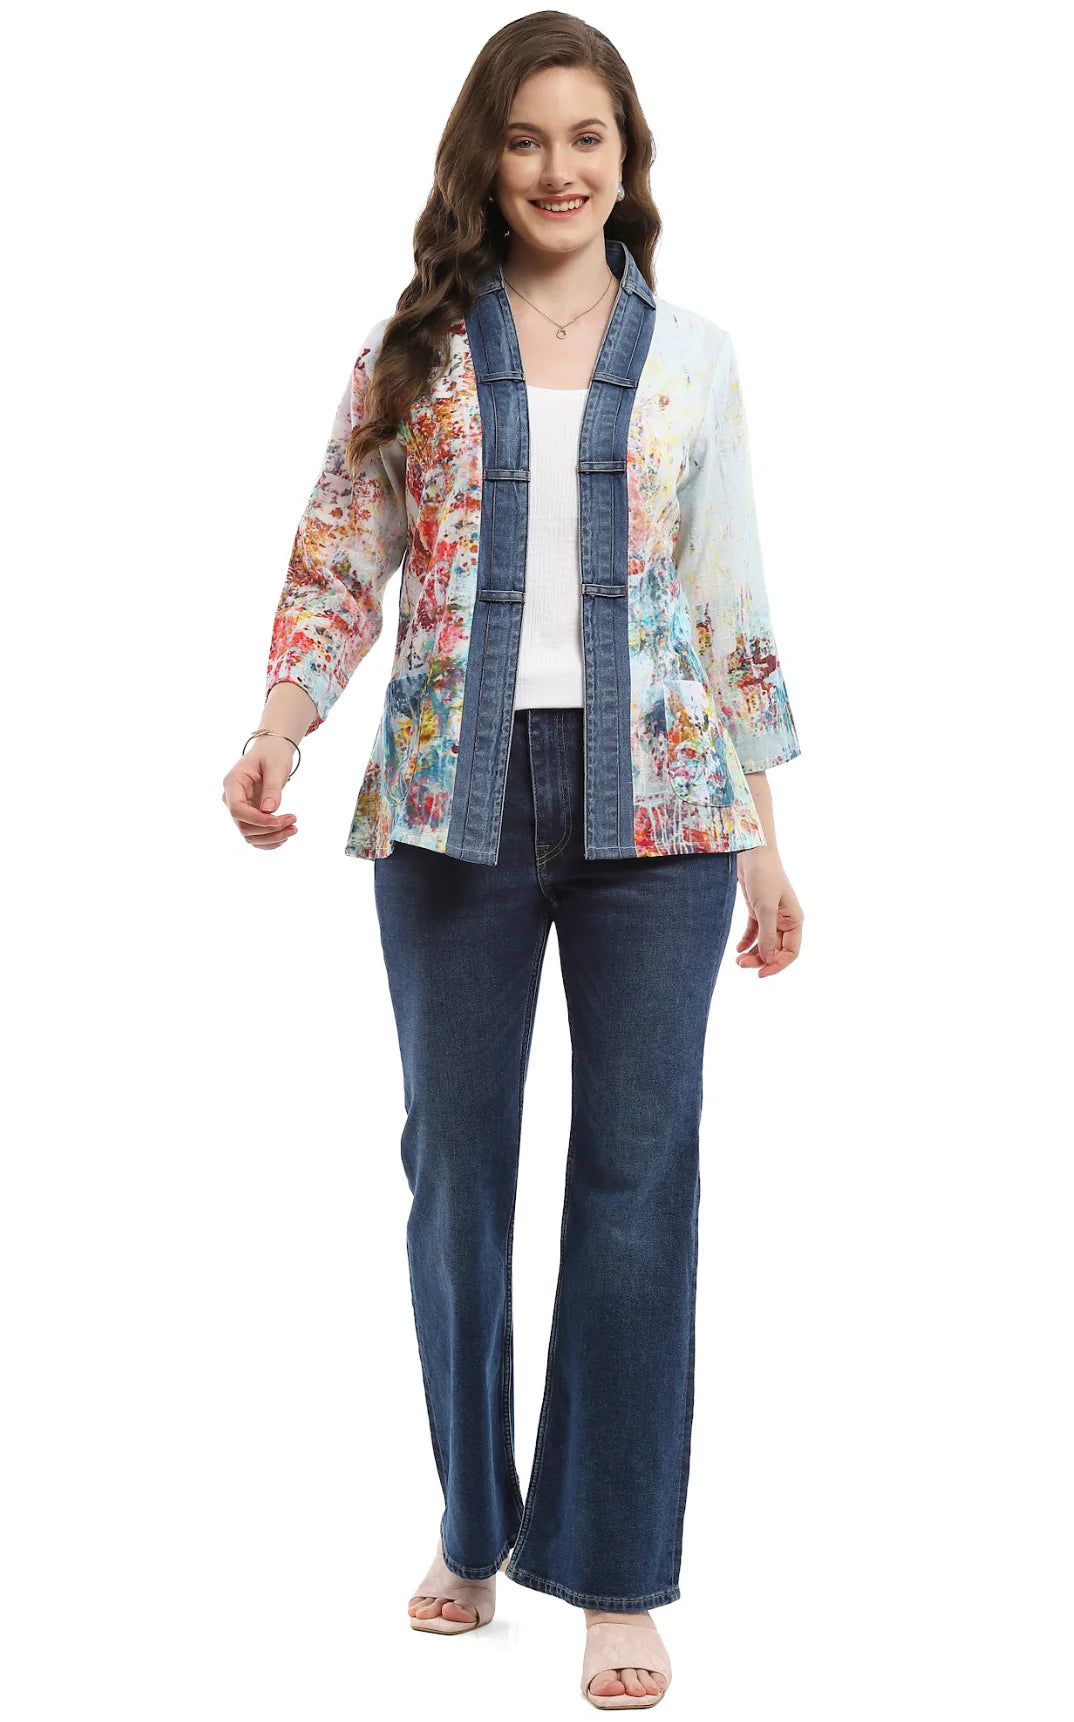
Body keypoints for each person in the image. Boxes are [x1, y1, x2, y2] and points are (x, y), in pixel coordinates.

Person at [222, 13, 804, 1710]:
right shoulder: (409, 351)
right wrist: (277, 729)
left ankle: (614, 1571)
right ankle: (473, 1523)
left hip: (664, 816)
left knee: (637, 1185)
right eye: (528, 137)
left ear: (628, 160)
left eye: (588, 138)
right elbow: (337, 558)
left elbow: (728, 605)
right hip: (446, 809)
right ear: (486, 155)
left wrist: (767, 847)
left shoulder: (694, 357)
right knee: (457, 1175)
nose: (559, 168)